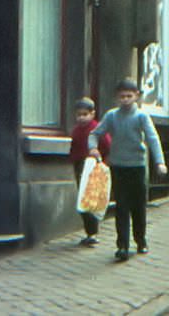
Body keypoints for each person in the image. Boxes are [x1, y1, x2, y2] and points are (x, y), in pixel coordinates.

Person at [89, 78, 167, 262]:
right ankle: (122, 245)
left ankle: (140, 240)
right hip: (118, 166)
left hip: (137, 166)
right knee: (121, 207)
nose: (125, 100)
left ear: (136, 96)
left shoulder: (141, 116)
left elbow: (152, 138)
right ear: (117, 97)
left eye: (129, 96)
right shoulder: (111, 116)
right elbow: (95, 133)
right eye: (122, 96)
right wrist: (92, 148)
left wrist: (159, 162)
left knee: (138, 206)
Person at [69, 97, 111, 246]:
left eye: (85, 114)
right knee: (83, 199)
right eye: (79, 114)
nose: (81, 118)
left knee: (90, 199)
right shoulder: (76, 130)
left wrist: (100, 159)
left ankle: (92, 233)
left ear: (92, 114)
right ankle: (89, 232)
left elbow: (106, 144)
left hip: (92, 167)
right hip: (80, 166)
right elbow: (73, 148)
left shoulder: (97, 128)